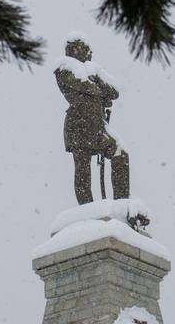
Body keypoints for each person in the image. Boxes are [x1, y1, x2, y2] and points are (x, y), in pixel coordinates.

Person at [55, 36, 130, 205]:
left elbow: (114, 92)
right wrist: (98, 86)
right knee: (83, 169)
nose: (90, 53)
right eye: (86, 50)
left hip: (97, 126)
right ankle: (87, 208)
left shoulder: (92, 70)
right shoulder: (64, 67)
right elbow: (84, 86)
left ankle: (122, 203)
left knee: (120, 154)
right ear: (76, 50)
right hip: (78, 125)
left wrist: (96, 78)